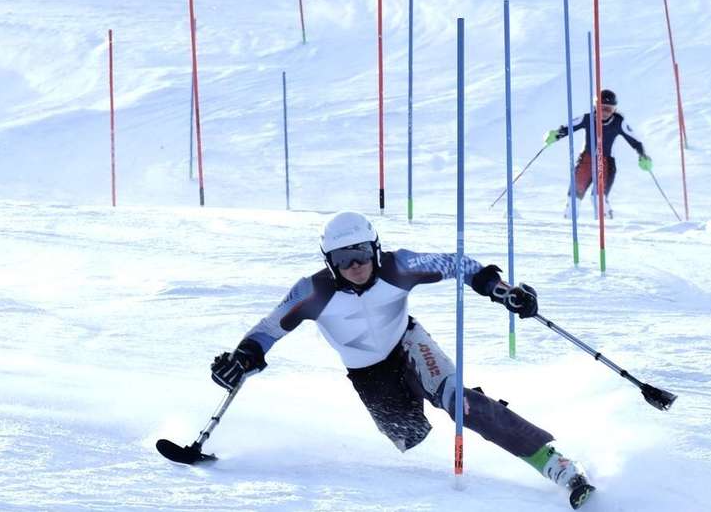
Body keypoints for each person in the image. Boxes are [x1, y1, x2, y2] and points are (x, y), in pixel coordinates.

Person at [209, 211, 596, 509]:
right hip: (368, 376)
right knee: (409, 435)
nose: (355, 265)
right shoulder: (313, 292)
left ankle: (555, 465)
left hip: (409, 344)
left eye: (361, 253)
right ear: (329, 261)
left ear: (375, 249)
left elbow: (460, 265)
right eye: (343, 258)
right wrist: (242, 360)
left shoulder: (399, 267)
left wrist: (502, 290)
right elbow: (267, 330)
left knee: (459, 403)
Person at [545, 88, 651, 219]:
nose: (605, 113)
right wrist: (556, 135)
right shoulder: (587, 118)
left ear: (614, 109)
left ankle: (607, 223)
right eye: (602, 108)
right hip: (586, 160)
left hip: (606, 162)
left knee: (597, 198)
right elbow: (568, 127)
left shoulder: (619, 122)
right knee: (574, 197)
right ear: (596, 107)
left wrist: (643, 155)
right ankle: (569, 225)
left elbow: (635, 141)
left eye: (609, 109)